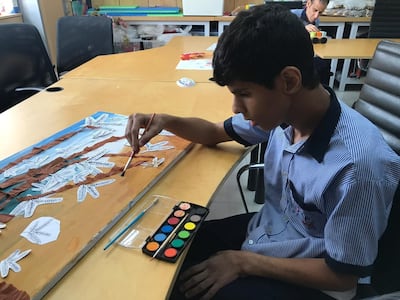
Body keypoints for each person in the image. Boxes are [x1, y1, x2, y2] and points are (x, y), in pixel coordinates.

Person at [125, 5, 400, 300]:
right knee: (164, 253)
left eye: (243, 94)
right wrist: (166, 120)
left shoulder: (357, 167)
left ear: (289, 81)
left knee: (182, 290)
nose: (236, 108)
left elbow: (343, 274)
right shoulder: (285, 114)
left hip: (321, 279)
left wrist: (243, 263)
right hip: (274, 232)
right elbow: (213, 132)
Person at [292, 0, 332, 85]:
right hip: (290, 56)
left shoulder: (316, 21)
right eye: (315, 10)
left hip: (306, 53)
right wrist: (301, 28)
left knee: (324, 63)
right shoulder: (291, 16)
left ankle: (324, 90)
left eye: (320, 12)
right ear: (308, 3)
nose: (316, 16)